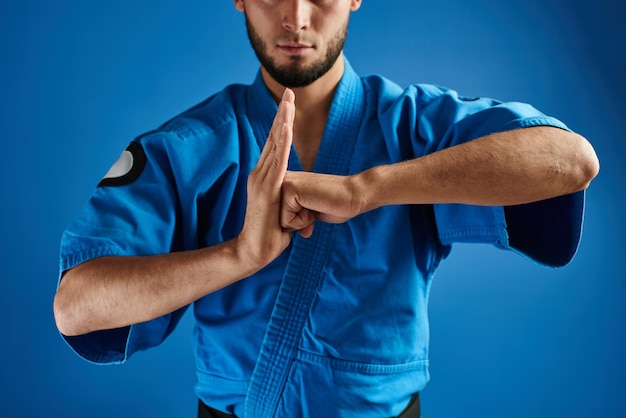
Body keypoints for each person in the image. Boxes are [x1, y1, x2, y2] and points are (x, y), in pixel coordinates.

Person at [53, 1, 599, 417]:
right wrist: (239, 254)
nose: (296, 18)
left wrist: (371, 187)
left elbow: (571, 160)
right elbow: (74, 307)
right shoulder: (188, 148)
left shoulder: (412, 126)